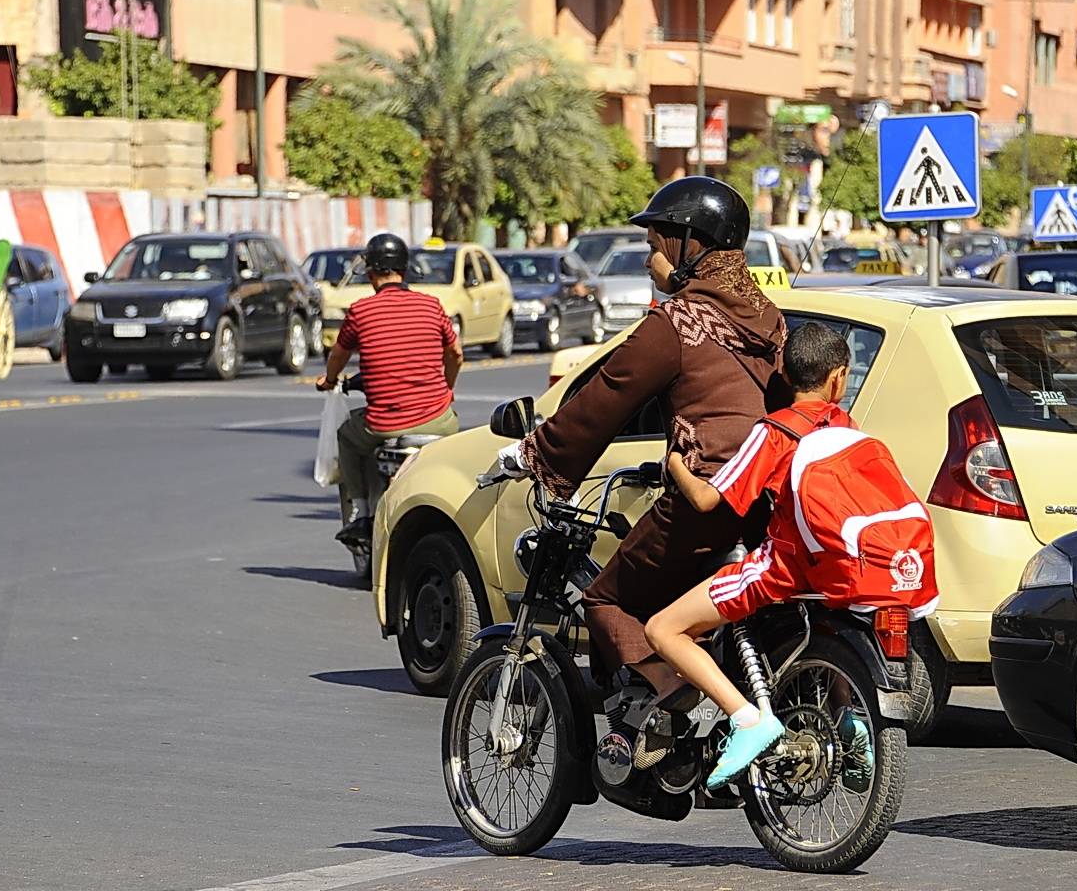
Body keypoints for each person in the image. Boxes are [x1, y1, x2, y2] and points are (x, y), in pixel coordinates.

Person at [496, 176, 788, 698]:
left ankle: (673, 702)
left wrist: (531, 453)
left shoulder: (675, 324)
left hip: (708, 499)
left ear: (687, 244)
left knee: (608, 600)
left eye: (654, 247)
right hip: (771, 495)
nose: (647, 261)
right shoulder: (768, 319)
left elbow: (606, 397)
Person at [649, 323, 939, 788]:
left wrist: (676, 465)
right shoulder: (848, 428)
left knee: (663, 628)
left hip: (786, 568)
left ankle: (747, 718)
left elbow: (708, 500)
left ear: (782, 373)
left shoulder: (775, 431)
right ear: (839, 379)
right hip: (843, 568)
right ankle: (846, 716)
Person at [317, 232, 463, 543]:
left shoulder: (360, 311)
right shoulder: (432, 305)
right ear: (405, 270)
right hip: (438, 418)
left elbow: (339, 355)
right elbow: (456, 354)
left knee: (347, 435)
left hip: (384, 425)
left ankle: (361, 512)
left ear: (370, 273)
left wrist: (329, 380)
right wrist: (447, 389)